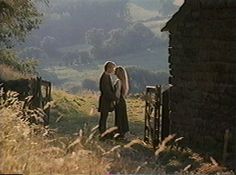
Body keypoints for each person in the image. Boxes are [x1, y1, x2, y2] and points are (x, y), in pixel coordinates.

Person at [98, 61, 117, 134]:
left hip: (106, 100)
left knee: (104, 116)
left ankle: (102, 131)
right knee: (104, 116)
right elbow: (106, 91)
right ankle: (102, 132)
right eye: (112, 68)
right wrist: (114, 97)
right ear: (108, 68)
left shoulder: (107, 76)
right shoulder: (105, 77)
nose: (113, 70)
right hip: (105, 100)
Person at [114, 66, 129, 138]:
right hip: (122, 100)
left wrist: (115, 100)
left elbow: (117, 93)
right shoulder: (124, 81)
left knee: (119, 116)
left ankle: (119, 131)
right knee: (122, 116)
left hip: (119, 100)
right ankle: (123, 131)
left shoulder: (118, 81)